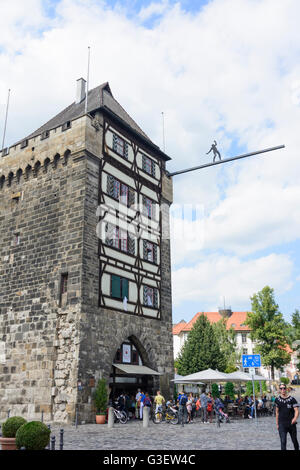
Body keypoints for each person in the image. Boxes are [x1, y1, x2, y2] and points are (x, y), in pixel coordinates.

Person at [275, 383, 299, 450]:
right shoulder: (277, 400)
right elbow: (277, 412)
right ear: (279, 390)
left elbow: (297, 411)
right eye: (281, 388)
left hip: (291, 424)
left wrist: (295, 418)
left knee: (295, 441)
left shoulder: (292, 399)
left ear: (286, 389)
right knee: (283, 442)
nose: (283, 390)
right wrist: (277, 424)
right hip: (282, 424)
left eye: (284, 388)